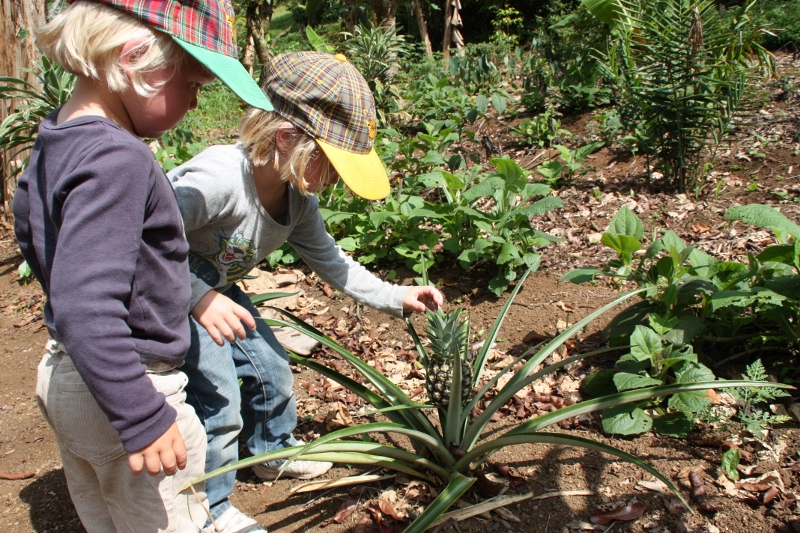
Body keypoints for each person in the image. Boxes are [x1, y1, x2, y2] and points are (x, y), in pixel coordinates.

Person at [12, 1, 273, 532]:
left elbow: (31, 231)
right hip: (130, 382)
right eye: (193, 85)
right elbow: (88, 306)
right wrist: (142, 416)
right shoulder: (119, 159)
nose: (196, 103)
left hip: (70, 372)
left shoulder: (56, 138)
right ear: (138, 62)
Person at [168, 51, 444, 532]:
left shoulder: (297, 198)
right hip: (168, 286)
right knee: (218, 397)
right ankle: (207, 510)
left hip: (217, 289)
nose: (335, 178)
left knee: (271, 367)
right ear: (287, 139)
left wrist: (394, 294)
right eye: (331, 162)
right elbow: (142, 238)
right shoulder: (216, 180)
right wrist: (196, 296)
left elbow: (332, 261)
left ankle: (270, 452)